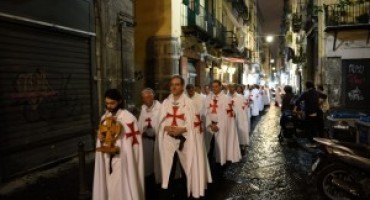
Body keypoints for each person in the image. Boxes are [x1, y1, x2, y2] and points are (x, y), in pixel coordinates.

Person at [93, 89, 144, 200]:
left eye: (112, 103)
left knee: (121, 187)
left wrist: (120, 145)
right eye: (107, 103)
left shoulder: (128, 118)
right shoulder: (104, 118)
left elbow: (133, 143)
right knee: (109, 186)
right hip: (107, 157)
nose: (109, 106)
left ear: (120, 101)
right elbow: (102, 136)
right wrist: (100, 138)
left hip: (122, 159)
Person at [157, 75, 197, 199]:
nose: (173, 87)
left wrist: (182, 129)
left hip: (183, 139)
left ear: (182, 87)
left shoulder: (188, 103)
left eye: (177, 84)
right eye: (172, 84)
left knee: (186, 166)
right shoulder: (166, 102)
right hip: (168, 139)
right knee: (168, 166)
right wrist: (165, 127)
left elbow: (191, 122)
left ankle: (187, 191)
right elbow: (161, 119)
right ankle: (168, 193)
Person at [205, 80, 241, 166]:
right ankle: (210, 166)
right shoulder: (208, 98)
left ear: (220, 87)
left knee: (220, 147)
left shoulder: (226, 98)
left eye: (216, 86)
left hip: (221, 126)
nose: (214, 88)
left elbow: (227, 115)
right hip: (210, 125)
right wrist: (210, 123)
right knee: (209, 147)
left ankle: (220, 165)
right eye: (213, 87)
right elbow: (205, 112)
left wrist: (218, 125)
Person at [186, 84, 212, 198]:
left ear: (194, 89)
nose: (190, 91)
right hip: (188, 131)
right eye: (188, 89)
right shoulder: (185, 99)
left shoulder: (201, 98)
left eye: (192, 89)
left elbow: (206, 112)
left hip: (199, 128)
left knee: (200, 152)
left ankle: (200, 178)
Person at [137, 88, 162, 194]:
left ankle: (158, 185)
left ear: (153, 96)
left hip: (157, 141)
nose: (146, 99)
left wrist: (154, 134)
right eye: (144, 97)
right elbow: (139, 124)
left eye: (148, 97)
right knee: (147, 165)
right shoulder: (142, 109)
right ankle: (148, 184)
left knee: (158, 163)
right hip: (145, 142)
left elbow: (161, 124)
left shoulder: (160, 108)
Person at [293, 81, 327, 146]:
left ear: (306, 86)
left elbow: (297, 101)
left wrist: (294, 109)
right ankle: (316, 141)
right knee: (314, 127)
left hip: (308, 112)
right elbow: (325, 96)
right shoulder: (316, 92)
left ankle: (312, 142)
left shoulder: (306, 93)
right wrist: (320, 103)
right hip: (316, 112)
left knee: (308, 128)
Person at [228, 84, 250, 149]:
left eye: (232, 87)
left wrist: (242, 116)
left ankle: (241, 143)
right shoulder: (226, 97)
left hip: (239, 117)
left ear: (234, 88)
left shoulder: (240, 97)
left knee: (239, 130)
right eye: (230, 87)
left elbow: (244, 108)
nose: (231, 89)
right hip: (229, 117)